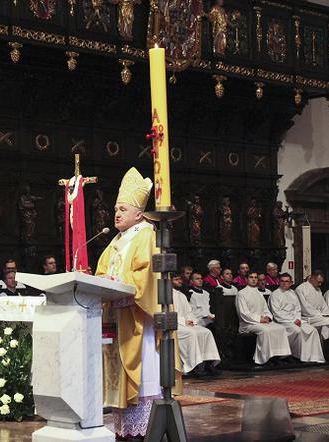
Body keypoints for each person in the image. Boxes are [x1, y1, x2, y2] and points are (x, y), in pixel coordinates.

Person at [95, 167, 180, 440]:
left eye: (122, 209)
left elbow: (147, 276)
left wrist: (116, 279)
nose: (116, 214)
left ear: (139, 213)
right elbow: (101, 272)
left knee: (145, 375)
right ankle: (126, 429)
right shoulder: (117, 239)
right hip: (120, 317)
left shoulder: (146, 234)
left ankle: (147, 426)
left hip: (140, 319)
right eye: (115, 209)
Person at [235, 271, 292, 365]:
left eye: (255, 277)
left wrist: (268, 318)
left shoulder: (258, 293)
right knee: (266, 331)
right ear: (246, 279)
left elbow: (266, 309)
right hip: (248, 324)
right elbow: (243, 313)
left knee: (280, 328)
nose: (253, 279)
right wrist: (259, 319)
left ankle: (279, 357)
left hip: (261, 322)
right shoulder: (241, 294)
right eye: (251, 277)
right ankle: (265, 358)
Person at [295, 270, 329, 361]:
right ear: (312, 278)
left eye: (321, 282)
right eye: (318, 282)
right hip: (307, 317)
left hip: (318, 316)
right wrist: (321, 315)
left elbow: (323, 305)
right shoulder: (300, 289)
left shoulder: (318, 289)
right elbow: (305, 307)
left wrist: (326, 314)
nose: (320, 284)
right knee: (328, 322)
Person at [268, 273, 324, 363]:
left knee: (312, 330)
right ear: (279, 282)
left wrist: (297, 319)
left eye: (287, 281)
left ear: (291, 283)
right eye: (282, 281)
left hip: (296, 320)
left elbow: (298, 308)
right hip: (283, 321)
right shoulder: (275, 294)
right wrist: (293, 320)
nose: (284, 283)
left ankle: (311, 357)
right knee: (296, 331)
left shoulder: (293, 293)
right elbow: (276, 312)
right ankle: (290, 355)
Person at [172, 274, 221, 375]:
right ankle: (193, 366)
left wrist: (191, 320)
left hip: (186, 323)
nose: (179, 281)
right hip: (175, 325)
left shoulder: (181, 295)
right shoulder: (167, 295)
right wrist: (183, 321)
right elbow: (168, 312)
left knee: (206, 332)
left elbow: (189, 311)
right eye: (176, 279)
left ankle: (208, 363)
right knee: (192, 334)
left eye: (180, 279)